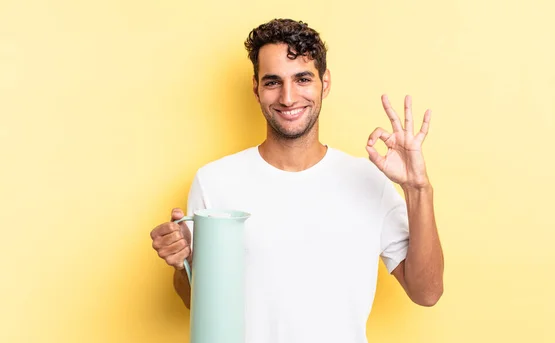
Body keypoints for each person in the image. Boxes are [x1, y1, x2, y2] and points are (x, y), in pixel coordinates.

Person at [150, 18, 444, 343]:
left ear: (325, 83)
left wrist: (418, 188)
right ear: (255, 87)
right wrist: (182, 263)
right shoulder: (214, 182)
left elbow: (426, 292)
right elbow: (200, 304)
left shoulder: (369, 182)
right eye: (273, 82)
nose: (288, 98)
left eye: (302, 79)